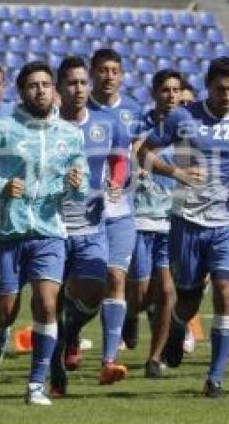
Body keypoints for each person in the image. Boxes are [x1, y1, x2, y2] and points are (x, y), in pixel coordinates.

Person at [137, 57, 229, 398]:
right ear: (208, 86)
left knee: (225, 291)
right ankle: (179, 327)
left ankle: (216, 377)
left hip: (228, 221)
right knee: (189, 299)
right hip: (188, 221)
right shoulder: (183, 117)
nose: (227, 96)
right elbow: (145, 154)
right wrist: (176, 173)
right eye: (221, 89)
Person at [0, 61, 88, 405]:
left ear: (54, 89)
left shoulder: (70, 134)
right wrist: (1, 185)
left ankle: (36, 384)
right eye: (33, 85)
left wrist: (76, 185)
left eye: (46, 84)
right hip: (7, 232)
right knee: (6, 309)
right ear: (22, 91)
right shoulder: (1, 129)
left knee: (47, 304)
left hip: (50, 232)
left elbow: (79, 188)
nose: (41, 90)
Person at [49, 56, 126, 396]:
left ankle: (70, 333)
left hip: (91, 226)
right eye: (71, 83)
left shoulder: (106, 123)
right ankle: (54, 374)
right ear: (59, 88)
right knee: (47, 305)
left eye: (83, 82)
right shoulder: (45, 127)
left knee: (95, 293)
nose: (79, 89)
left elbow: (120, 158)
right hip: (50, 225)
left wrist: (117, 182)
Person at [85, 48, 140, 382]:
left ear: (121, 75)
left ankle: (109, 359)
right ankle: (71, 337)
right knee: (81, 286)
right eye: (102, 70)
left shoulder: (133, 110)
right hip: (82, 214)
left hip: (121, 210)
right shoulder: (77, 110)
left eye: (114, 70)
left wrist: (126, 179)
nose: (108, 76)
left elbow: (135, 153)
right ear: (93, 73)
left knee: (116, 278)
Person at [128, 70, 184, 379]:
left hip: (171, 220)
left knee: (166, 290)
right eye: (165, 90)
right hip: (138, 218)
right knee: (140, 290)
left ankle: (154, 357)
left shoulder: (187, 128)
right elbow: (133, 153)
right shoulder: (139, 124)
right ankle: (131, 315)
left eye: (176, 90)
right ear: (155, 92)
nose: (171, 96)